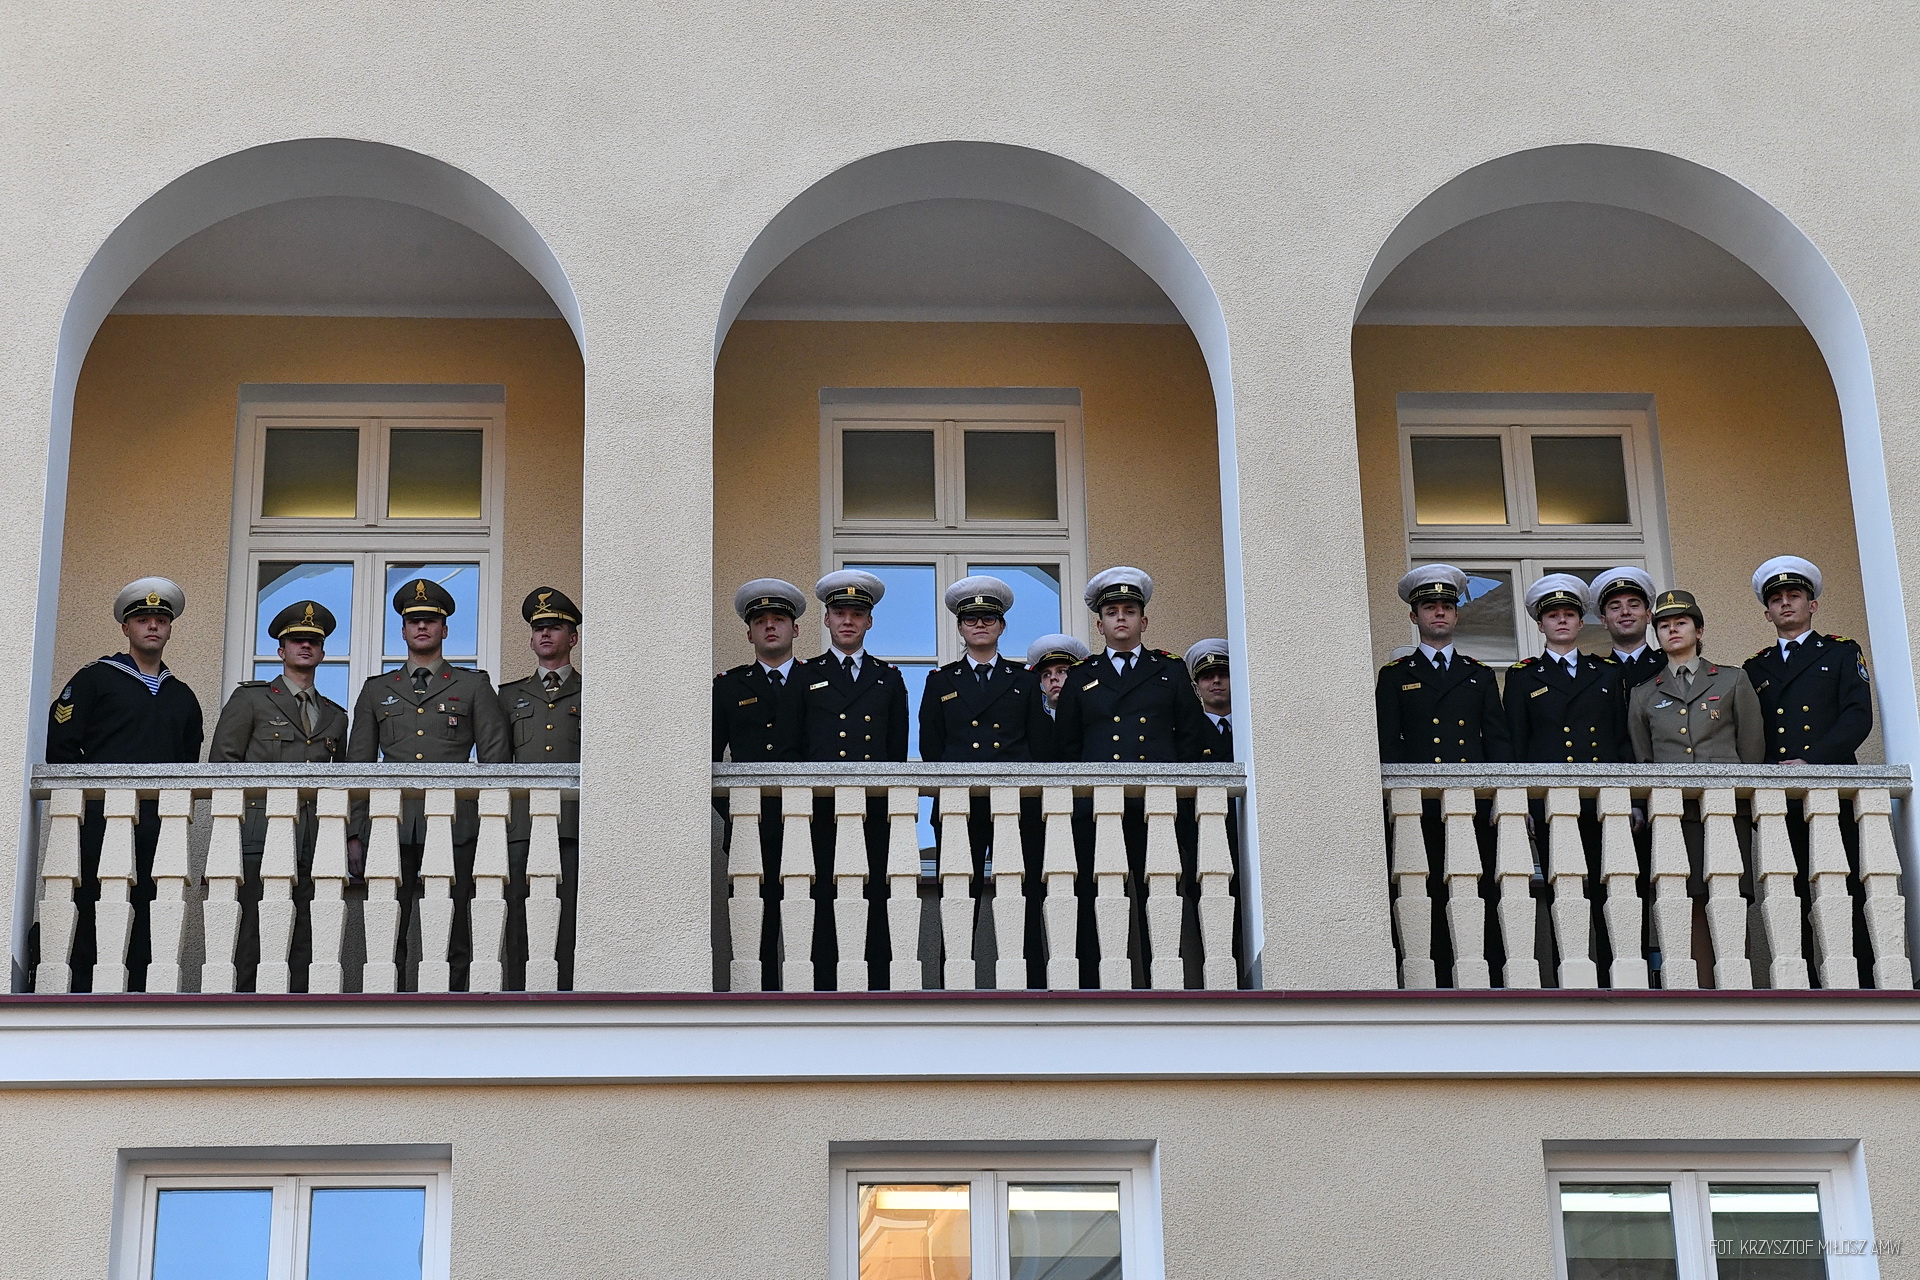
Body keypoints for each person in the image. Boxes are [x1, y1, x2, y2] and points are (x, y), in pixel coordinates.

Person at [347, 577, 509, 987]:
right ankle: (385, 999)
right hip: (390, 824)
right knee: (387, 922)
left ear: (445, 629)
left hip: (457, 825)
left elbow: (495, 762)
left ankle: (454, 1001)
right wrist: (355, 833)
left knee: (453, 923)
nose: (422, 627)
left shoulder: (473, 686)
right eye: (414, 620)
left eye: (431, 620)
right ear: (402, 630)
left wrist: (493, 828)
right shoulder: (376, 690)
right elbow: (358, 768)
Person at [45, 577, 204, 990]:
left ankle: (141, 987)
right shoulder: (95, 679)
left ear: (169, 629)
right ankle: (83, 986)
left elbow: (187, 764)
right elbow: (61, 746)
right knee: (94, 901)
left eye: (160, 620)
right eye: (143, 619)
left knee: (153, 904)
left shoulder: (183, 696)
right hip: (100, 819)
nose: (153, 626)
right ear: (126, 628)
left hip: (158, 823)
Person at [207, 599, 349, 986]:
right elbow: (223, 765)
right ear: (280, 650)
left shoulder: (336, 715)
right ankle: (245, 1002)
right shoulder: (251, 699)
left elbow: (341, 783)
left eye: (313, 641)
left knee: (309, 923)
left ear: (322, 651)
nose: (305, 647)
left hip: (315, 833)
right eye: (296, 640)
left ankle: (303, 1003)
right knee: (254, 918)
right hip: (258, 828)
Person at [498, 587, 582, 986]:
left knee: (571, 911)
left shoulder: (595, 693)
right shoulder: (508, 695)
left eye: (556, 627)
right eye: (539, 628)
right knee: (519, 910)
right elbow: (497, 761)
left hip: (575, 822)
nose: (546, 634)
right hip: (523, 825)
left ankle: (568, 990)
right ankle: (519, 992)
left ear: (573, 638)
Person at [1053, 567, 1209, 762]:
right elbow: (1067, 742)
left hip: (1159, 786)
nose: (1120, 617)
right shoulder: (1080, 674)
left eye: (1129, 611)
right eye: (1111, 612)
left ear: (1143, 622)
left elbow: (1192, 734)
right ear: (1100, 626)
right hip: (1100, 786)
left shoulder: (1171, 669)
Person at [1742, 556, 1873, 764]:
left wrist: (1810, 760)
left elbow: (1857, 717)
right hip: (1777, 783)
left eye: (1794, 596)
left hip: (1831, 774)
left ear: (1813, 606)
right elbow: (1750, 730)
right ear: (1768, 614)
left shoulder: (1841, 652)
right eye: (1776, 599)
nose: (1785, 603)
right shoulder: (1755, 666)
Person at [1374, 565, 1508, 764]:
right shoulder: (1394, 675)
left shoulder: (1479, 674)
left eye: (1447, 606)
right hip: (1417, 789)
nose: (1440, 612)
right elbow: (1387, 742)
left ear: (1456, 616)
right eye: (1429, 607)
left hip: (1471, 788)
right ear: (1414, 617)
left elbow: (1497, 742)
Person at [1503, 574, 1629, 763]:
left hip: (1602, 782)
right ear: (1540, 625)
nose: (1562, 620)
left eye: (1569, 615)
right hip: (1547, 784)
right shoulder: (1522, 677)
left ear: (1580, 623)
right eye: (1553, 616)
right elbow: (1517, 741)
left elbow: (1621, 738)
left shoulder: (1608, 672)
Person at [918, 575, 1045, 762]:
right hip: (959, 784)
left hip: (1013, 783)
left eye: (989, 618)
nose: (979, 625)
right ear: (960, 627)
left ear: (1001, 626)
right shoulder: (940, 681)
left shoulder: (1026, 679)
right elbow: (931, 745)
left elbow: (1040, 740)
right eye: (970, 619)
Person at [1628, 589, 1763, 763]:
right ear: (1658, 637)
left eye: (1681, 623)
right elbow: (1645, 759)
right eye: (1664, 626)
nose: (1672, 629)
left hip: (1724, 787)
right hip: (1670, 789)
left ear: (1699, 631)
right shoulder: (1643, 694)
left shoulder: (1732, 680)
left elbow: (1751, 748)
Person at [798, 570, 909, 762]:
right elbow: (793, 742)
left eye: (857, 614)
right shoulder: (804, 674)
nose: (848, 621)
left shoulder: (889, 677)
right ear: (827, 619)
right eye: (839, 613)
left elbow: (896, 748)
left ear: (869, 622)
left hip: (872, 787)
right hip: (820, 787)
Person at [712, 578, 807, 762]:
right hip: (747, 791)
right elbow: (711, 755)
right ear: (749, 635)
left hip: (804, 790)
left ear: (795, 630)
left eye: (779, 619)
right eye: (759, 621)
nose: (769, 626)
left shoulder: (814, 679)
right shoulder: (729, 687)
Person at [1594, 565, 1665, 690]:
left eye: (1633, 605)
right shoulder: (1594, 672)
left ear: (1648, 616)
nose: (1625, 612)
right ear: (1604, 621)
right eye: (1615, 608)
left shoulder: (1668, 664)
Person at [1024, 632, 1089, 763]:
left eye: (1062, 671)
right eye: (1046, 675)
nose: (1053, 678)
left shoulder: (1089, 716)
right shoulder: (1033, 721)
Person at [1183, 638, 1233, 761]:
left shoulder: (1249, 725)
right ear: (1196, 689)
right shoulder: (1187, 730)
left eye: (1223, 675)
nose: (1216, 681)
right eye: (1208, 677)